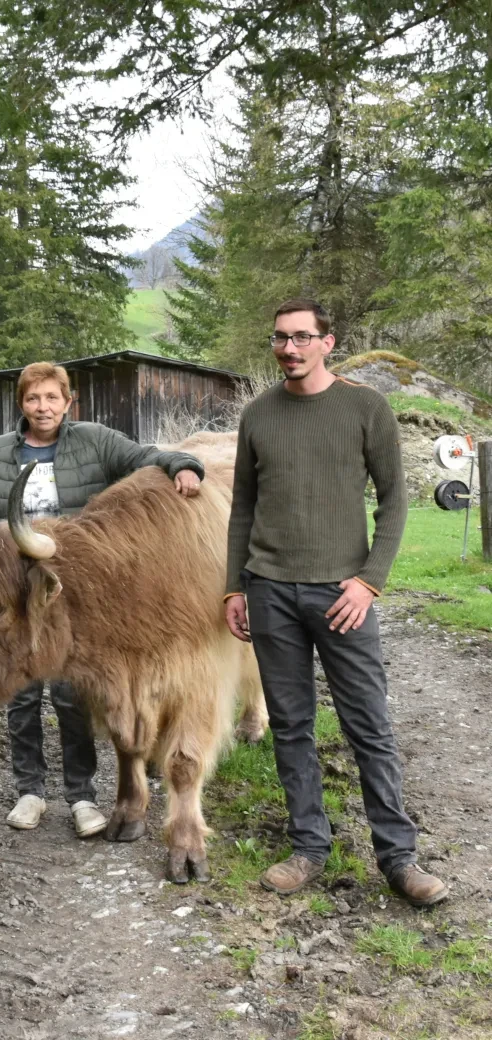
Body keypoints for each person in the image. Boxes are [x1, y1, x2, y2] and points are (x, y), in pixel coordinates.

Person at [224, 298, 448, 908]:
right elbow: (243, 507)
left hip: (342, 594)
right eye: (279, 339)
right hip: (269, 591)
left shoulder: (365, 408)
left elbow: (396, 501)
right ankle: (307, 847)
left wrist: (368, 581)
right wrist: (234, 586)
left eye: (301, 338)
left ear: (328, 341)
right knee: (291, 726)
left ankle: (399, 858)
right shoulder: (258, 415)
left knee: (367, 725)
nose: (289, 350)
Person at [0, 361, 204, 837]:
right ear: (21, 404)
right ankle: (30, 790)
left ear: (68, 402)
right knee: (21, 697)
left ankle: (82, 795)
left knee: (78, 696)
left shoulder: (94, 440)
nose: (43, 407)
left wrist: (183, 464)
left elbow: (146, 457)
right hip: (14, 598)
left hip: (81, 598)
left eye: (52, 397)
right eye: (33, 398)